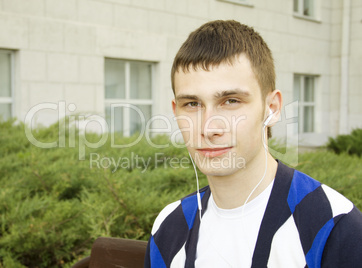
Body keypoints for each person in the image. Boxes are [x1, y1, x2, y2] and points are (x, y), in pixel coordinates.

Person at [144, 20, 362, 268]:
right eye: (192, 104)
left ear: (272, 108)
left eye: (231, 101)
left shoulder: (333, 225)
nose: (208, 128)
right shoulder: (170, 225)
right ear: (176, 111)